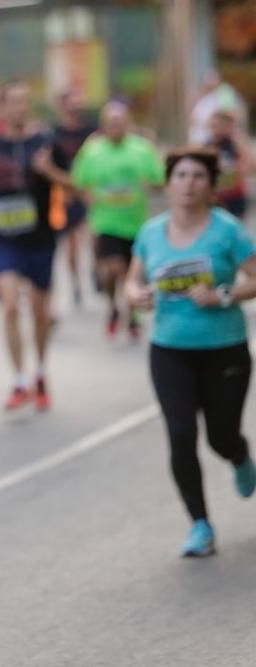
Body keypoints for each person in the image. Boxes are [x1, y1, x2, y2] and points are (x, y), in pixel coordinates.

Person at [126, 147, 256, 557]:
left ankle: (239, 456)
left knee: (220, 436)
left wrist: (224, 294)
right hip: (169, 349)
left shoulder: (228, 231)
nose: (188, 184)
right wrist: (137, 295)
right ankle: (200, 525)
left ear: (210, 186)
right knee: (181, 436)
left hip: (224, 349)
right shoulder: (150, 232)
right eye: (180, 175)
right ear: (169, 183)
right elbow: (132, 281)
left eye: (198, 176)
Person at [0, 81, 70, 411]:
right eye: (12, 102)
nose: (18, 108)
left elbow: (72, 183)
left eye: (24, 102)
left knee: (40, 312)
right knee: (11, 306)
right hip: (2, 237)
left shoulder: (45, 143)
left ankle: (40, 372)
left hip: (39, 237)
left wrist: (48, 170)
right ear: (1, 108)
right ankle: (18, 380)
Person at [72, 101, 164, 340]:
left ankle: (132, 316)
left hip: (136, 224)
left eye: (120, 123)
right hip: (106, 223)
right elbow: (79, 182)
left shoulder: (142, 149)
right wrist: (87, 196)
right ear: (103, 126)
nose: (116, 127)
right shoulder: (92, 150)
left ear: (129, 123)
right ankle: (113, 306)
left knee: (131, 274)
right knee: (115, 271)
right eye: (111, 123)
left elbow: (159, 179)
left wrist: (150, 184)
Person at [51, 90, 96, 307]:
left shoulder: (91, 132)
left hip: (90, 191)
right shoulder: (54, 133)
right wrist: (66, 189)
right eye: (70, 104)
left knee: (94, 235)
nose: (74, 109)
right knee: (72, 241)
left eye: (77, 104)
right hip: (66, 193)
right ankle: (76, 282)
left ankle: (97, 269)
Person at [206, 109, 253, 221]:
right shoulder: (207, 145)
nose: (213, 130)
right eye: (212, 126)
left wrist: (235, 169)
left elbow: (250, 166)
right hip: (215, 197)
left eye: (216, 125)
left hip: (234, 197)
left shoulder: (236, 144)